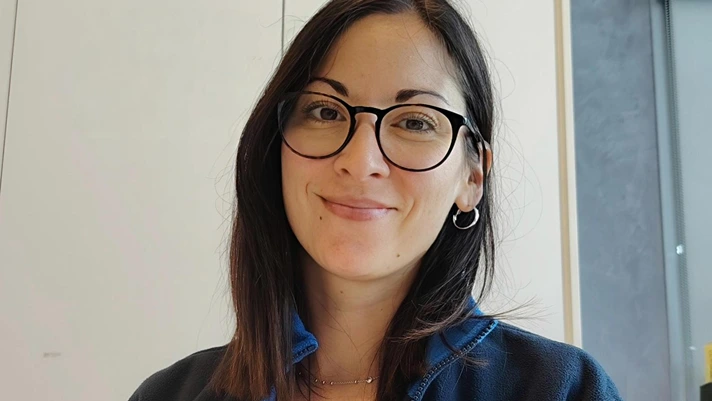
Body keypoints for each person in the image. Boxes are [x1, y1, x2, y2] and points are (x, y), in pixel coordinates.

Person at [129, 0, 622, 400]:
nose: (361, 160)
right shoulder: (169, 395)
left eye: (415, 121)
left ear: (472, 177)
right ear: (273, 147)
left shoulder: (560, 390)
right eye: (325, 111)